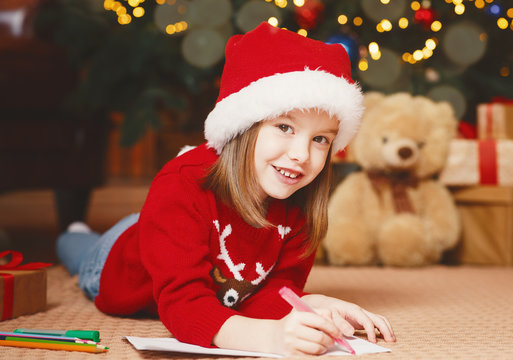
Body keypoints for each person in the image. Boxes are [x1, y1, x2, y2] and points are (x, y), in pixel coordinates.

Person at [57, 22, 396, 356]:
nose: (301, 155)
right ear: (244, 125)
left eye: (320, 138)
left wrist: (311, 303)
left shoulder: (301, 198)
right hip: (116, 262)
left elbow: (269, 291)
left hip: (173, 226)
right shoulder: (183, 181)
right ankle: (73, 233)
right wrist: (269, 339)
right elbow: (184, 305)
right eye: (284, 127)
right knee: (78, 248)